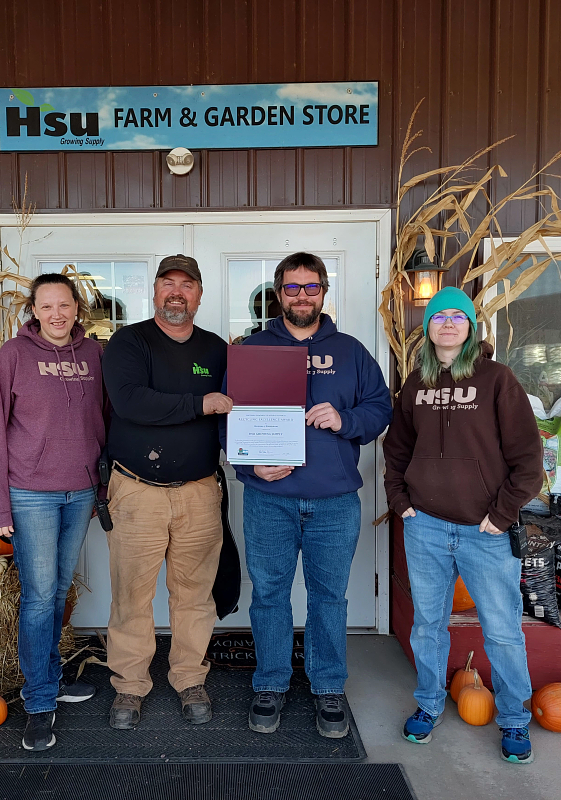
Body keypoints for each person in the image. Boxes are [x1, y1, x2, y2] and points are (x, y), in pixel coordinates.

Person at [223, 252, 392, 738]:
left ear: (323, 291)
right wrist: (248, 463)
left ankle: (327, 686)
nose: (302, 295)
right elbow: (227, 419)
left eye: (311, 287)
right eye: (292, 288)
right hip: (267, 499)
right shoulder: (253, 349)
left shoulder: (351, 351)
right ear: (279, 294)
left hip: (334, 500)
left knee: (328, 598)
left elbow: (380, 409)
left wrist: (346, 421)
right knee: (270, 596)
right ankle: (271, 683)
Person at [382, 285, 544, 764]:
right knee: (428, 626)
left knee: (502, 631)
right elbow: (397, 450)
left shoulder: (497, 379)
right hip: (425, 526)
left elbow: (529, 459)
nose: (448, 322)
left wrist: (502, 514)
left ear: (471, 327)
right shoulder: (416, 385)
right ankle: (429, 704)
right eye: (438, 316)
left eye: (458, 316)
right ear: (427, 328)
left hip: (485, 532)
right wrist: (400, 501)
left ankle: (515, 719)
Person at [0, 273, 107, 752]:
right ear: (34, 310)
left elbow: (106, 422)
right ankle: (38, 701)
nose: (57, 314)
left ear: (76, 308)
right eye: (47, 306)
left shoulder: (94, 355)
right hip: (30, 493)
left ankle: (49, 678)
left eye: (65, 305)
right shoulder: (13, 356)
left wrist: (102, 487)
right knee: (38, 595)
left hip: (81, 491)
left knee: (56, 593)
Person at [100, 254, 232, 730]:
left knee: (195, 593)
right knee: (131, 595)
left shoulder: (218, 350)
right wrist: (201, 403)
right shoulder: (129, 342)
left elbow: (244, 406)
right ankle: (130, 686)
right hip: (136, 491)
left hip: (199, 491)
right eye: (168, 283)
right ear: (154, 291)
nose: (177, 292)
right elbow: (130, 401)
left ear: (199, 294)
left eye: (187, 285)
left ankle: (189, 677)